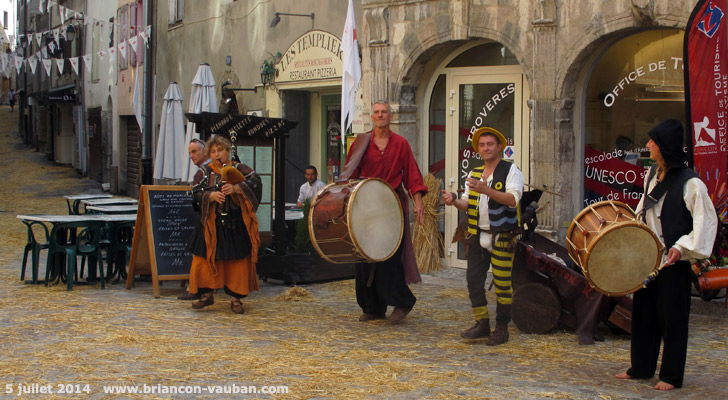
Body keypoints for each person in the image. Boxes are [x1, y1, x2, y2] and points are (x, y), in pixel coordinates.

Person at [615, 119, 717, 390]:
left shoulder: (691, 183)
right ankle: (641, 368)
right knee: (644, 315)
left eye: (652, 141)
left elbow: (706, 222)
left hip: (674, 262)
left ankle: (671, 376)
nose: (647, 145)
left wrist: (682, 248)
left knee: (672, 320)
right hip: (649, 259)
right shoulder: (651, 175)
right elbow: (642, 211)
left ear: (664, 146)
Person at [342, 100, 427, 324]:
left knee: (389, 258)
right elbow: (350, 172)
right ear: (372, 117)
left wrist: (418, 201)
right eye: (377, 112)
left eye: (384, 112)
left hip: (392, 209)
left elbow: (412, 175)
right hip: (365, 209)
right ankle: (373, 307)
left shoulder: (401, 144)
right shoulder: (360, 143)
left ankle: (403, 302)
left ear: (390, 117)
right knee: (363, 258)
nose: (380, 116)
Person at [441, 127, 524, 346]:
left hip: (503, 236)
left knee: (503, 283)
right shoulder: (475, 173)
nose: (485, 148)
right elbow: (467, 203)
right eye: (482, 145)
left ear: (499, 147)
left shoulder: (510, 170)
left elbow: (512, 200)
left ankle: (502, 328)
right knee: (473, 281)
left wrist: (486, 190)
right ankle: (482, 323)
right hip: (478, 235)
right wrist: (453, 201)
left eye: (490, 144)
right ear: (478, 149)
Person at [185, 135, 263, 314]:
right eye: (213, 151)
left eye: (220, 150)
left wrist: (237, 189)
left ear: (228, 151)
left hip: (235, 224)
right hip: (210, 224)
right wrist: (209, 196)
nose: (217, 154)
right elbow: (195, 193)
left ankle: (236, 299)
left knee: (237, 262)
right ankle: (206, 294)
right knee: (203, 260)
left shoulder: (240, 168)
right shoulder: (204, 172)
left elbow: (256, 183)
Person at [177, 138, 213, 301]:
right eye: (189, 153)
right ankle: (201, 288)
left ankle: (197, 289)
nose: (191, 156)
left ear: (204, 151)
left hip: (210, 218)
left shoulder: (208, 170)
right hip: (206, 217)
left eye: (194, 152)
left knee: (200, 252)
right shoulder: (203, 171)